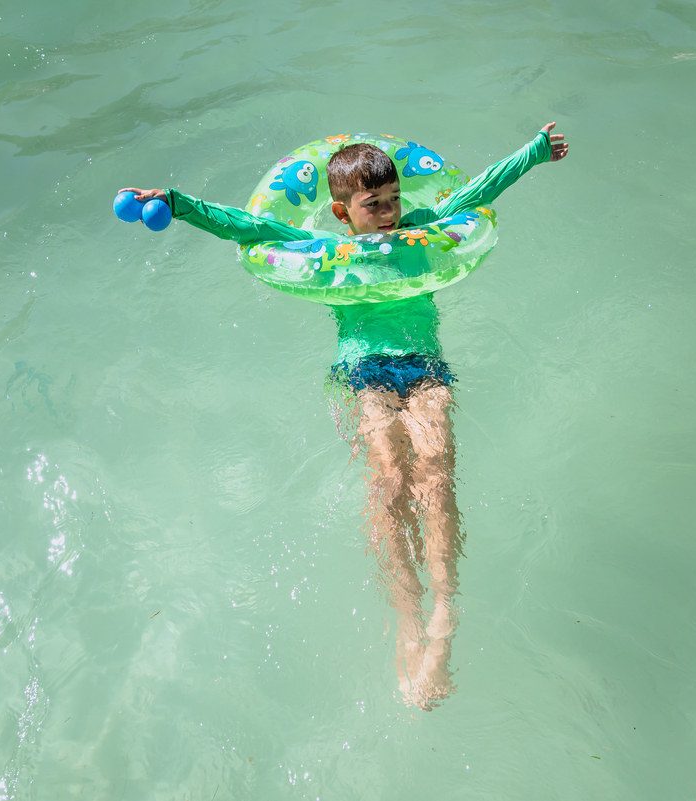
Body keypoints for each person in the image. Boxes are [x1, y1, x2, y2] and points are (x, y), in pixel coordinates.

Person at [118, 123, 569, 708]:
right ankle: (408, 618)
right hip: (364, 373)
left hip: (423, 367)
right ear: (341, 211)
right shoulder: (319, 249)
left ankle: (445, 617)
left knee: (435, 469)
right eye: (372, 205)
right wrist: (174, 203)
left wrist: (532, 153)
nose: (386, 214)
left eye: (392, 201)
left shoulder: (421, 232)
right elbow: (246, 225)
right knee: (390, 482)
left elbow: (478, 192)